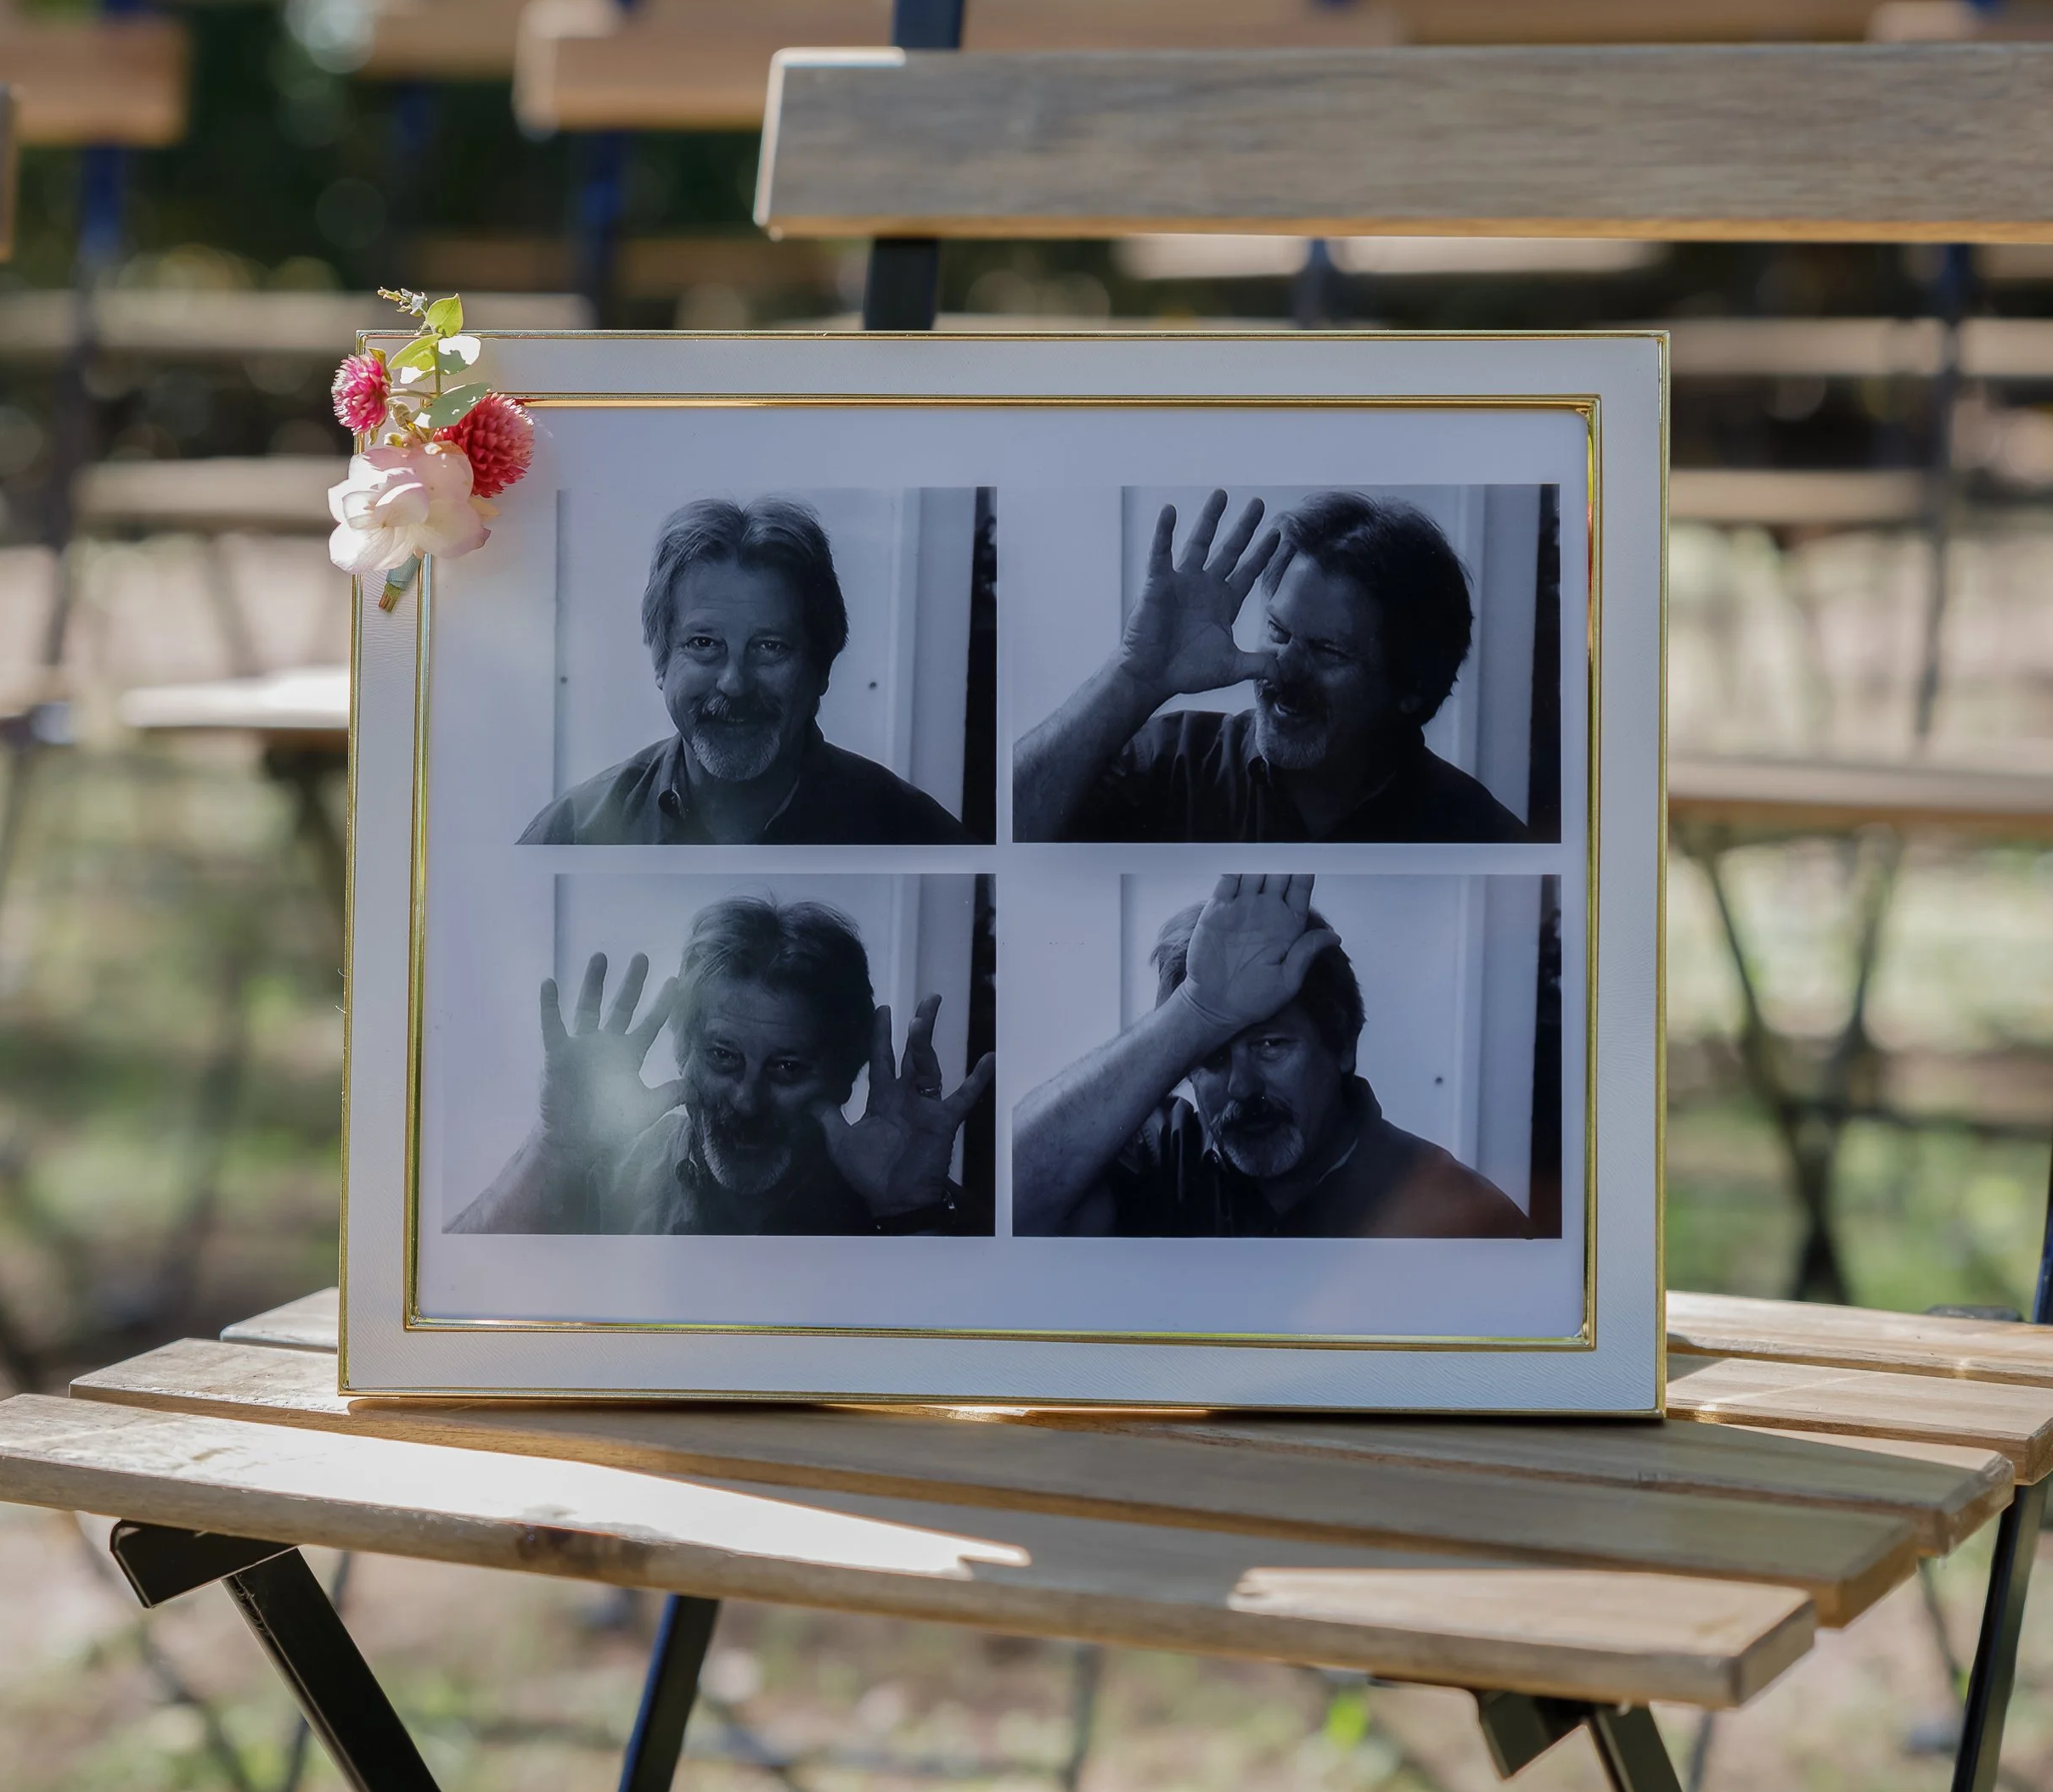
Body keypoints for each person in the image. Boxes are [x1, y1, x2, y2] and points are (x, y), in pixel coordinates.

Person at [1014, 873, 1529, 1239]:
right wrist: (1192, 1014)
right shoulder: (1159, 1155)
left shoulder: (1466, 1219)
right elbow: (1010, 1199)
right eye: (1210, 1057)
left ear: (1343, 1044)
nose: (1240, 1086)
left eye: (1269, 1045)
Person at [453, 896, 993, 1234]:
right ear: (684, 1051)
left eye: (786, 1067)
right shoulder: (601, 1172)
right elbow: (448, 1302)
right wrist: (554, 1147)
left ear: (843, 1073)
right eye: (722, 1057)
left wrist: (909, 1212)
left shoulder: (911, 1194)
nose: (746, 1100)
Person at [1015, 488, 1528, 844]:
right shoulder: (1170, 761)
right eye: (1278, 632)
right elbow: (1004, 834)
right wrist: (1131, 678)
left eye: (1327, 651)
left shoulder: (1481, 831)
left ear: (1410, 685)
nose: (1283, 668)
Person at [523, 497, 965, 844]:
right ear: (661, 660)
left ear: (822, 667)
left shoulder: (918, 832)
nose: (734, 683)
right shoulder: (572, 831)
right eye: (704, 644)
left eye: (770, 648)